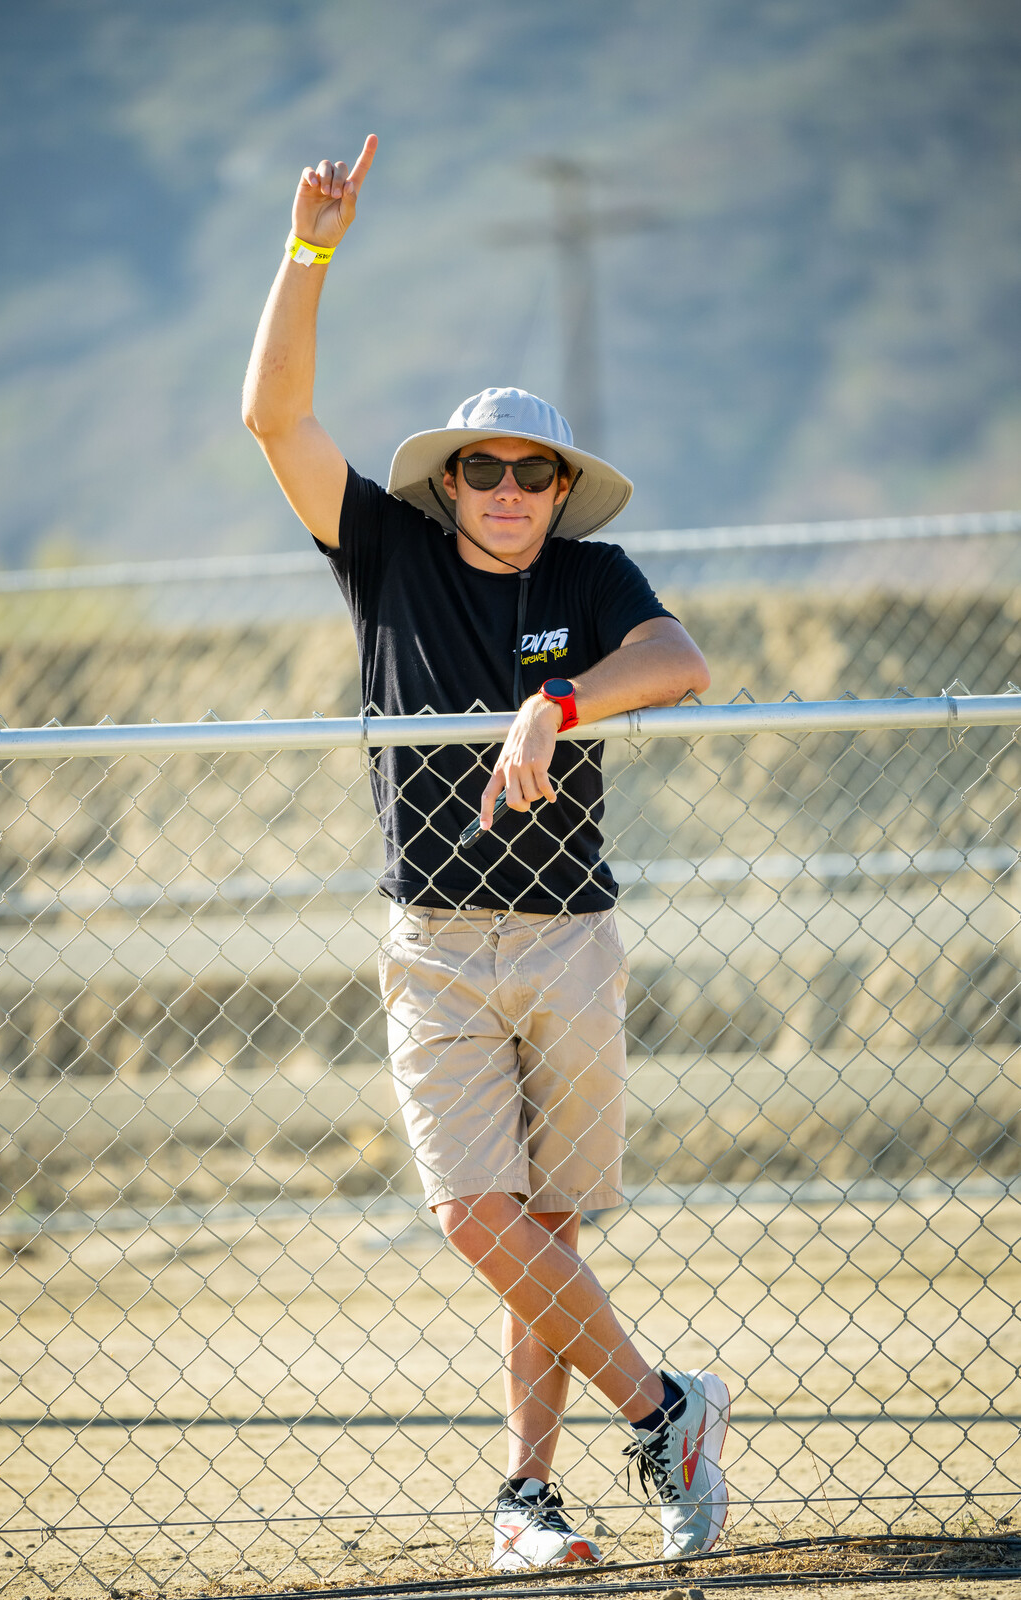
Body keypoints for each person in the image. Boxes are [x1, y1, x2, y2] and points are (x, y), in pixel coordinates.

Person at [242, 134, 729, 1570]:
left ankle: (531, 1499)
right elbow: (272, 419)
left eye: (532, 473)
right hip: (438, 942)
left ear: (555, 490)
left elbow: (683, 660)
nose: (508, 489)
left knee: (552, 1230)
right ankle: (665, 1408)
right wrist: (310, 250)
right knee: (476, 1213)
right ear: (447, 483)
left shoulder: (588, 581)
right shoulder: (383, 552)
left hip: (571, 932)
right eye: (484, 470)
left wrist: (557, 698)